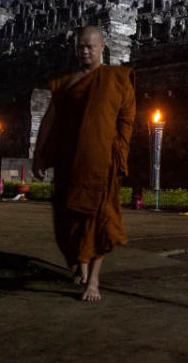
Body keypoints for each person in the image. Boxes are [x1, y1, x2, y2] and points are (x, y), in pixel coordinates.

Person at [32, 25, 135, 301]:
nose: (85, 51)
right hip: (70, 159)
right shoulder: (67, 81)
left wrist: (120, 151)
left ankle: (94, 280)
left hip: (101, 160)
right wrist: (39, 153)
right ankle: (82, 266)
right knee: (71, 219)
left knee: (98, 218)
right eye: (81, 47)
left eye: (90, 46)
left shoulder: (117, 78)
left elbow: (126, 119)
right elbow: (50, 119)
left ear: (103, 47)